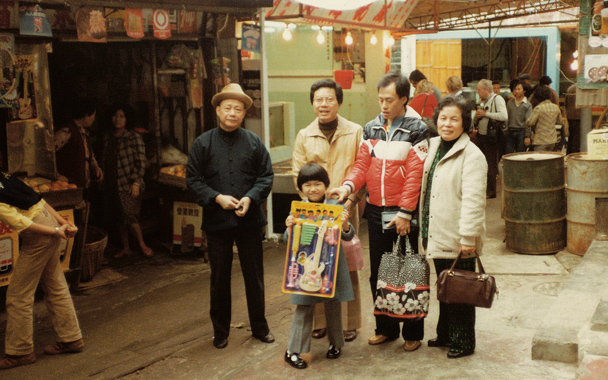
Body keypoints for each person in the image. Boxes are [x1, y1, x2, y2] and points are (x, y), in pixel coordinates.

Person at [329, 71, 429, 351]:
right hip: (375, 210)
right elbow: (361, 165)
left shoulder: (418, 129)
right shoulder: (371, 127)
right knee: (379, 273)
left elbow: (414, 174)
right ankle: (385, 328)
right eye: (380, 100)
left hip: (402, 213)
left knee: (407, 271)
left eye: (389, 100)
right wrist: (347, 187)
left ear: (404, 99)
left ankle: (412, 332)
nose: (383, 105)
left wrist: (407, 212)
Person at [186, 83, 275, 349]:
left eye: (238, 108)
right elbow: (192, 180)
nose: (233, 113)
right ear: (218, 110)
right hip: (217, 222)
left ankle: (260, 328)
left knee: (254, 276)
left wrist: (251, 197)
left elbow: (266, 176)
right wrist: (216, 197)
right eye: (228, 108)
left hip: (249, 221)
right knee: (219, 278)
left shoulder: (254, 142)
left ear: (244, 113)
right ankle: (220, 332)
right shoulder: (203, 143)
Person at [291, 79, 364, 343]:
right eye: (318, 100)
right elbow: (297, 173)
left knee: (348, 264)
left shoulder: (355, 132)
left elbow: (362, 169)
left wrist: (351, 201)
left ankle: (349, 322)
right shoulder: (304, 135)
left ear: (339, 102)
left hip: (345, 208)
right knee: (315, 263)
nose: (323, 104)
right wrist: (310, 206)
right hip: (315, 213)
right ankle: (320, 322)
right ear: (312, 103)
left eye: (329, 99)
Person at [419, 96, 487, 359]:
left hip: (459, 235)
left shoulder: (472, 155)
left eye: (454, 119)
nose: (447, 124)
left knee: (461, 290)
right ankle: (446, 333)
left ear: (464, 123)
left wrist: (468, 237)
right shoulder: (434, 145)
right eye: (443, 118)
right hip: (434, 228)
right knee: (445, 286)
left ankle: (464, 341)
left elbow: (473, 200)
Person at [0, 172, 83, 370]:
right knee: (55, 284)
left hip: (40, 233)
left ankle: (20, 351)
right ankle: (71, 338)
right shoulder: (4, 177)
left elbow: (22, 222)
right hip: (48, 223)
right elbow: (39, 200)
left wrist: (57, 230)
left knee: (18, 294)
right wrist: (60, 223)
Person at [284, 163, 355, 369]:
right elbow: (289, 240)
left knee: (333, 306)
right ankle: (293, 350)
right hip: (305, 267)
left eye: (317, 184)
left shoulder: (336, 207)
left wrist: (345, 224)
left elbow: (348, 236)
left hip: (331, 265)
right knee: (304, 306)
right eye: (307, 185)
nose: (313, 189)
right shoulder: (297, 209)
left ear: (326, 186)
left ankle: (336, 344)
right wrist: (289, 227)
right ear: (301, 188)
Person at [101, 104, 152, 258]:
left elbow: (140, 162)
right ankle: (126, 247)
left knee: (130, 215)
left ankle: (142, 245)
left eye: (122, 116)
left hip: (128, 184)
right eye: (115, 116)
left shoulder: (133, 137)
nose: (118, 119)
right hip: (111, 183)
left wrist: (136, 182)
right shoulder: (107, 137)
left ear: (127, 119)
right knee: (119, 217)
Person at [54, 98, 104, 189]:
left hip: (82, 186)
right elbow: (48, 153)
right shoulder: (67, 131)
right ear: (85, 115)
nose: (94, 119)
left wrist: (96, 167)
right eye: (93, 115)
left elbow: (89, 155)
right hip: (67, 186)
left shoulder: (83, 133)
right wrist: (56, 175)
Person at [473, 79, 507, 199]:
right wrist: (476, 118)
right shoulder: (481, 101)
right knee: (481, 163)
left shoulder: (497, 99)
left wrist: (486, 114)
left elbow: (504, 116)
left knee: (491, 164)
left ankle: (491, 191)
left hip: (492, 137)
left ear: (487, 90)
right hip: (481, 136)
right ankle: (484, 189)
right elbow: (479, 117)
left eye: (479, 90)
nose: (477, 92)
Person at [526, 86, 562, 152]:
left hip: (540, 140)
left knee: (539, 160)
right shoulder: (556, 107)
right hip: (552, 140)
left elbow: (530, 123)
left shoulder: (538, 108)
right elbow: (560, 122)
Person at [505, 80, 532, 153]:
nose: (516, 91)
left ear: (524, 91)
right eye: (515, 89)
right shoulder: (510, 103)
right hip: (510, 131)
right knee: (508, 153)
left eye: (519, 89)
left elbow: (528, 121)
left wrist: (527, 136)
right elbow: (507, 118)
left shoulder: (527, 104)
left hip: (521, 132)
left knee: (520, 155)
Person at [565, 84, 581, 154]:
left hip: (570, 116)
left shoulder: (570, 88)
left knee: (571, 136)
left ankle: (569, 153)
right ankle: (576, 153)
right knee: (578, 137)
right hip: (580, 116)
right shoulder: (582, 88)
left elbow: (566, 103)